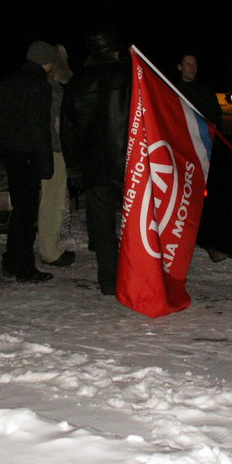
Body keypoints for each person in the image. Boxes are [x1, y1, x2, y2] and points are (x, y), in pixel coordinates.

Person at [60, 29, 132, 295]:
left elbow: (67, 129)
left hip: (93, 166)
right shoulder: (128, 76)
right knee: (135, 221)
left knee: (102, 227)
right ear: (115, 49)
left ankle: (109, 281)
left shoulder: (78, 81)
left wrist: (74, 165)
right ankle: (137, 275)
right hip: (128, 163)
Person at [0, 41, 56, 283]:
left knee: (19, 211)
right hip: (27, 155)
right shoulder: (38, 85)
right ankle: (25, 268)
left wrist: (6, 147)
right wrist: (45, 163)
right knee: (27, 214)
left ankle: (12, 259)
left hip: (12, 153)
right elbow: (39, 128)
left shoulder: (10, 81)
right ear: (47, 61)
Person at [38, 44, 76, 268]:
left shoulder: (39, 85)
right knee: (53, 202)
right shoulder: (52, 89)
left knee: (48, 201)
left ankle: (48, 248)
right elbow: (54, 126)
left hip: (42, 151)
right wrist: (62, 148)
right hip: (52, 152)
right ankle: (50, 251)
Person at [174, 54, 222, 128]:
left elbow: (216, 116)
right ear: (180, 67)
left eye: (194, 64)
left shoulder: (206, 92)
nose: (192, 68)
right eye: (188, 64)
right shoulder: (173, 91)